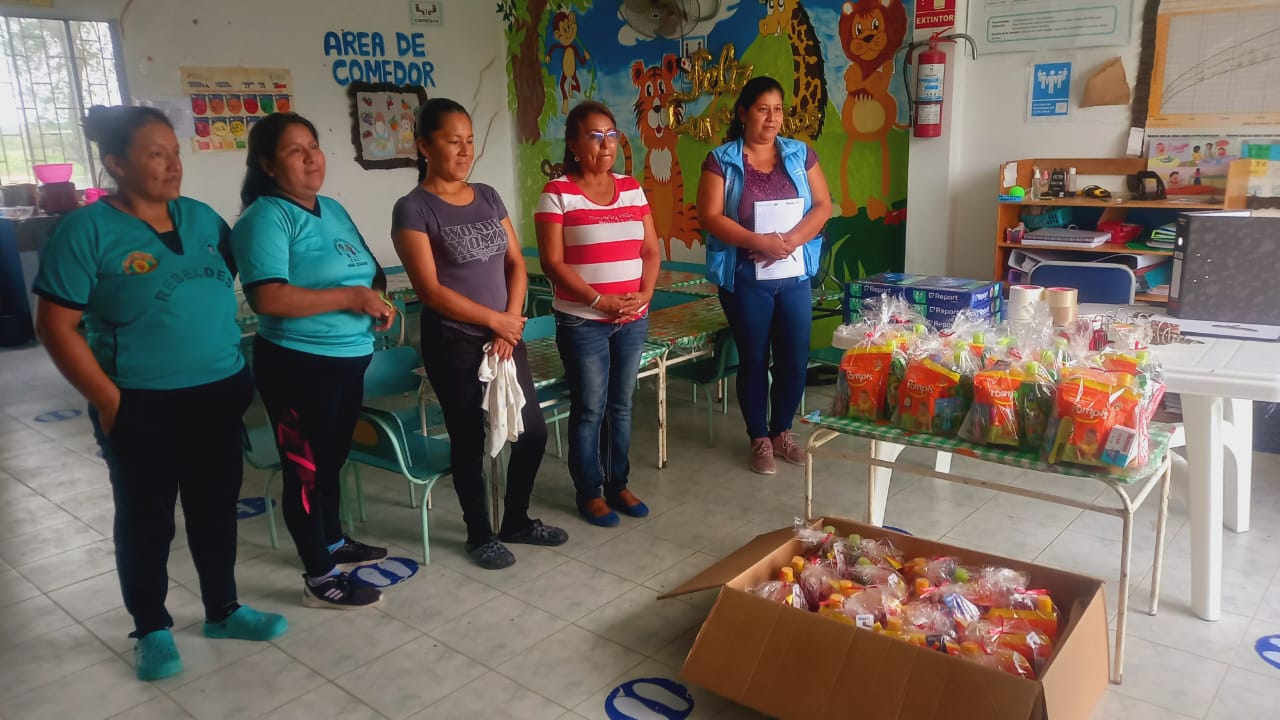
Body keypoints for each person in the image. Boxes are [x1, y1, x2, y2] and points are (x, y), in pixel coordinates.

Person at [33, 105, 287, 682]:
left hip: (217, 393)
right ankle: (150, 627)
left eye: (174, 152)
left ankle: (223, 610)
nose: (173, 164)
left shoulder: (202, 219)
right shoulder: (86, 231)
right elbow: (55, 326)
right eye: (156, 154)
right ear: (116, 163)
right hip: (141, 402)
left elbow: (239, 278)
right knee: (147, 521)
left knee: (215, 511)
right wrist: (109, 400)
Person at [391, 98, 568, 569]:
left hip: (505, 336)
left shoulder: (488, 196)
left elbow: (516, 263)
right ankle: (478, 533)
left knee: (532, 433)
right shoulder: (413, 209)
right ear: (424, 146)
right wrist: (495, 321)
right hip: (453, 341)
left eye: (469, 141)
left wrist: (509, 322)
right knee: (468, 438)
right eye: (453, 141)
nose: (465, 150)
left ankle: (517, 520)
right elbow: (430, 290)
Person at [231, 113, 392, 609]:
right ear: (267, 165)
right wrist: (351, 298)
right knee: (306, 470)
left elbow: (371, 271)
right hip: (297, 366)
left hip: (349, 360)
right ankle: (320, 579)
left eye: (314, 146)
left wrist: (379, 301)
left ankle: (333, 540)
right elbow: (268, 298)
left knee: (333, 459)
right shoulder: (266, 217)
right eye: (294, 151)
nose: (310, 158)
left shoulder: (333, 208)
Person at [696, 76, 833, 475]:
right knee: (754, 359)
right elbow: (710, 216)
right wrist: (758, 241)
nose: (772, 118)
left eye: (777, 110)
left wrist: (788, 242)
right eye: (762, 109)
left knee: (794, 358)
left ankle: (782, 431)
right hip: (745, 279)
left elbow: (823, 205)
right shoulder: (721, 160)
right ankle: (758, 436)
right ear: (743, 113)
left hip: (794, 276)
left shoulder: (800, 154)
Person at [535, 100, 660, 527]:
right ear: (573, 144)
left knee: (621, 404)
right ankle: (589, 491)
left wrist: (645, 294)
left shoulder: (632, 187)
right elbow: (552, 262)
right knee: (590, 407)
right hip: (582, 320)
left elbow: (650, 250)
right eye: (594, 136)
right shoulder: (557, 193)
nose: (606, 144)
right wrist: (596, 301)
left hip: (631, 318)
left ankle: (617, 484)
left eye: (611, 135)